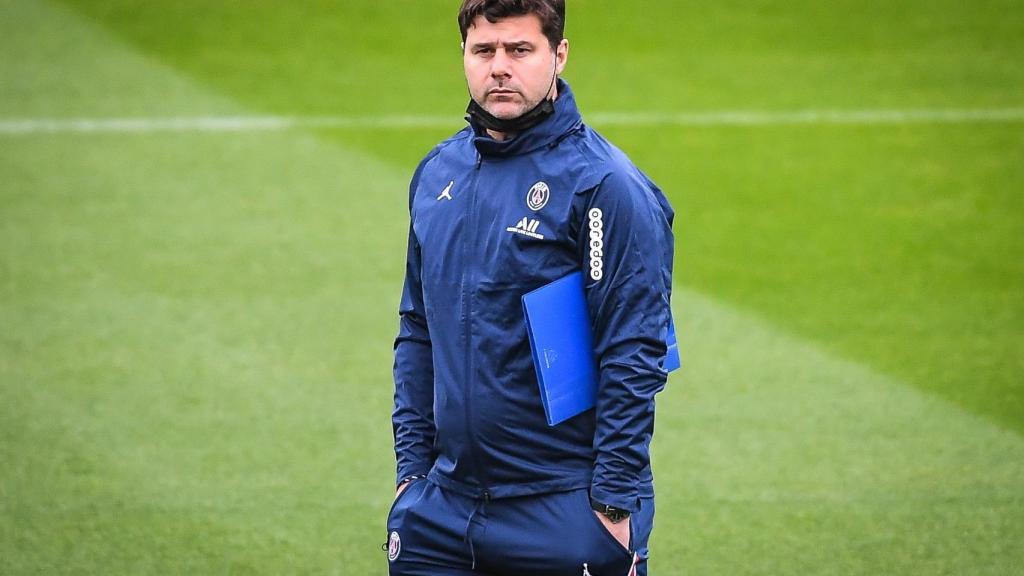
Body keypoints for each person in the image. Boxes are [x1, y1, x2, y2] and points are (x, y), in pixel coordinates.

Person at [388, 1, 675, 574]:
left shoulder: (604, 185)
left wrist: (612, 503)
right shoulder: (438, 173)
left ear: (558, 55)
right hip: (440, 513)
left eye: (520, 50)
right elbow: (418, 328)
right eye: (484, 50)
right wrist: (411, 474)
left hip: (564, 509)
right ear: (464, 56)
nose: (500, 67)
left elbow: (635, 350)